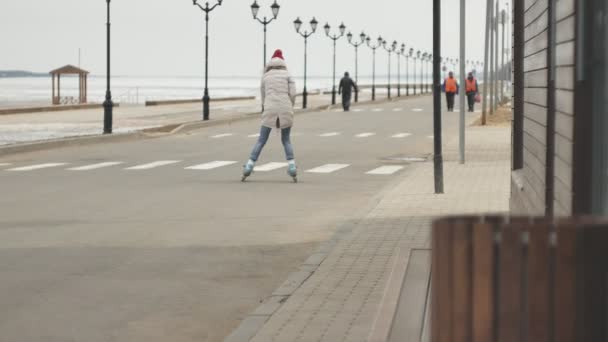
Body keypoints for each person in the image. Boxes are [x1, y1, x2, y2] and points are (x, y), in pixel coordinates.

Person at [242, 49, 298, 182]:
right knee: (286, 140)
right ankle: (292, 168)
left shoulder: (265, 76)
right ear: (283, 61)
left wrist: (265, 107)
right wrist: (290, 105)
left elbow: (263, 96)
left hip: (269, 108)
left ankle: (249, 166)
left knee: (261, 139)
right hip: (285, 108)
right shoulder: (288, 75)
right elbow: (293, 93)